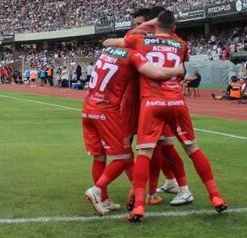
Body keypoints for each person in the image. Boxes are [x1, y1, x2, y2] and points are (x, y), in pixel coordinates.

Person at [106, 11, 227, 222]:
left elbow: (109, 42)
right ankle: (215, 196)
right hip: (177, 102)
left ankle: (141, 206)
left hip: (151, 102)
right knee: (192, 148)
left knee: (144, 152)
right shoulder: (181, 44)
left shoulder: (139, 39)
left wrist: (145, 28)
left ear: (154, 24)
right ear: (174, 27)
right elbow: (184, 61)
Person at [83, 46, 184, 216]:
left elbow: (108, 41)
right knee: (123, 157)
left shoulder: (109, 50)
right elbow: (156, 74)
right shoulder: (133, 55)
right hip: (107, 110)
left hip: (88, 108)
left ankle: (105, 201)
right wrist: (178, 69)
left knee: (99, 156)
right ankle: (97, 190)